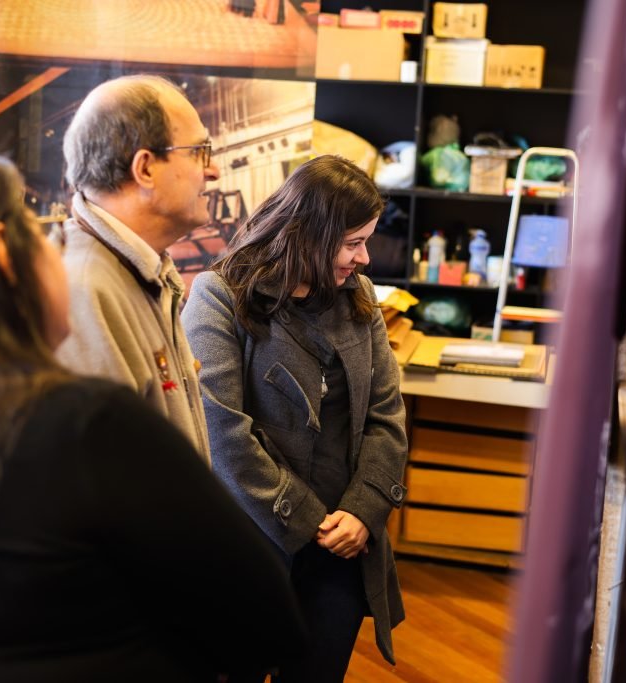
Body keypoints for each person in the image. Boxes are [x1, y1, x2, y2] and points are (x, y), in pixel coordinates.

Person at [0, 151, 305, 683]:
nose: (60, 250)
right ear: (4, 253)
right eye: (45, 234)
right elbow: (267, 621)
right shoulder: (91, 427)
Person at [183, 155, 408, 681]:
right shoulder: (219, 297)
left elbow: (386, 414)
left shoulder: (359, 297)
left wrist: (364, 509)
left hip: (341, 548)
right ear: (308, 234)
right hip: (249, 551)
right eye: (353, 243)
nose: (365, 258)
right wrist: (309, 521)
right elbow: (222, 432)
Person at [56, 75, 217, 462]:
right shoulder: (84, 291)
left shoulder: (140, 270)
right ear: (145, 168)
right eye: (199, 151)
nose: (212, 172)